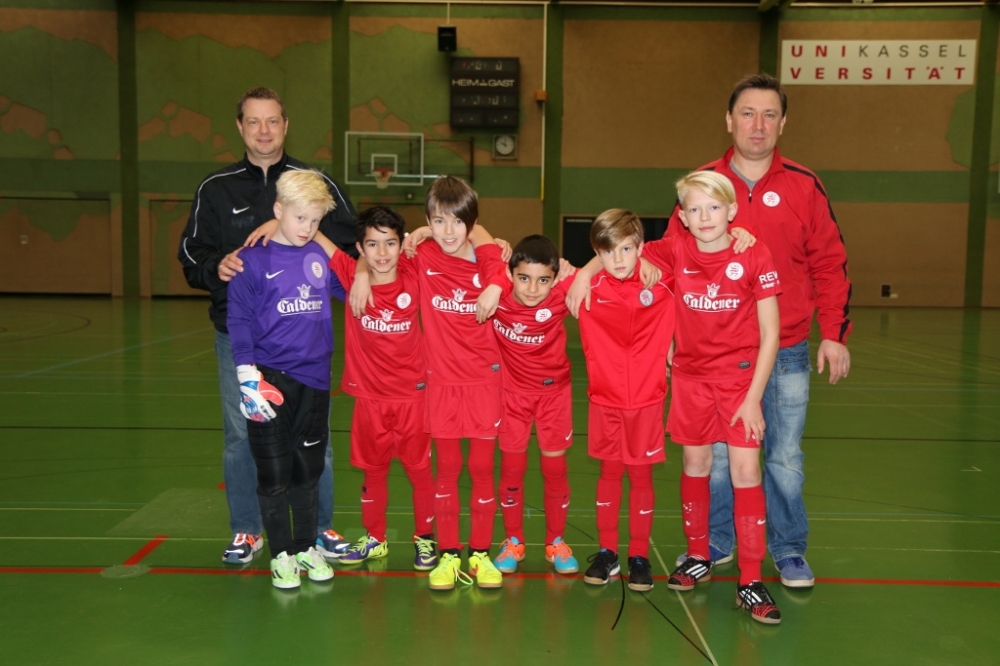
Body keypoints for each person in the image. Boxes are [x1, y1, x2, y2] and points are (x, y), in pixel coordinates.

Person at [668, 73, 852, 588]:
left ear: (783, 123)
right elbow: (668, 266)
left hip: (785, 347)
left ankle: (788, 549)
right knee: (718, 459)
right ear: (729, 120)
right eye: (747, 113)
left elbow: (830, 262)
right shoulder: (702, 185)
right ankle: (718, 541)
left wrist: (833, 332)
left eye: (769, 114)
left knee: (784, 456)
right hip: (716, 357)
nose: (758, 124)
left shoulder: (804, 185)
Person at [177, 87, 357, 564]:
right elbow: (191, 254)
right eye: (254, 121)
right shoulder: (216, 188)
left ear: (286, 125)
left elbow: (353, 247)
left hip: (303, 341)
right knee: (241, 434)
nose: (264, 131)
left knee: (315, 437)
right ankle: (247, 530)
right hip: (240, 340)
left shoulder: (314, 184)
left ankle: (319, 527)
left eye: (272, 120)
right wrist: (217, 266)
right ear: (240, 127)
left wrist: (302, 231)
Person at [351, 176, 508, 590]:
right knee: (446, 472)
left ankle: (480, 553)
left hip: (484, 384)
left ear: (472, 222)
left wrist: (495, 282)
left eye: (458, 222)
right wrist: (362, 273)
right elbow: (378, 256)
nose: (449, 231)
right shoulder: (421, 255)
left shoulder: (491, 259)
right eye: (438, 221)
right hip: (440, 385)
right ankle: (449, 554)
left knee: (481, 471)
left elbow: (494, 252)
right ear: (427, 221)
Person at [648, 171, 782, 624]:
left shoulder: (754, 254)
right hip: (690, 381)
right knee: (695, 464)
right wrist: (582, 275)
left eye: (714, 207)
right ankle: (697, 555)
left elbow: (771, 334)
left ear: (732, 211)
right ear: (682, 217)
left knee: (746, 471)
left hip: (739, 383)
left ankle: (750, 579)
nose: (704, 217)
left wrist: (753, 398)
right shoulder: (674, 249)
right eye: (694, 209)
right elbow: (619, 251)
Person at [226, 170, 345, 589]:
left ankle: (307, 547)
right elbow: (238, 321)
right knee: (274, 473)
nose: (307, 228)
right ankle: (281, 556)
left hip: (316, 380)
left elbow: (353, 285)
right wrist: (247, 376)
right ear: (278, 210)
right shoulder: (251, 262)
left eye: (315, 221)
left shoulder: (319, 257)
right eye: (300, 218)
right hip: (269, 382)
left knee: (307, 472)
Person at [322, 206, 437, 571]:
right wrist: (358, 272)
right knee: (373, 472)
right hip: (370, 399)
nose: (382, 252)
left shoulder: (414, 271)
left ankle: (425, 538)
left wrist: (422, 232)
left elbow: (453, 234)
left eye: (390, 243)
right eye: (372, 244)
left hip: (413, 396)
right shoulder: (349, 272)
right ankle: (375, 538)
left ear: (402, 245)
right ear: (360, 247)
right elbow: (314, 236)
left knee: (420, 472)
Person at [566, 209, 675, 593]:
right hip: (605, 400)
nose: (618, 259)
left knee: (641, 477)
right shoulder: (585, 287)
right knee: (610, 475)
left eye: (626, 249)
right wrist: (582, 273)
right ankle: (608, 552)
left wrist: (743, 233)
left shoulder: (664, 283)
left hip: (647, 400)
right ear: (597, 252)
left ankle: (639, 555)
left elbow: (704, 257)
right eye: (608, 252)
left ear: (640, 247)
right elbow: (527, 267)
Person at [474, 235, 578, 575]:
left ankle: (555, 542)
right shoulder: (499, 293)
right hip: (511, 396)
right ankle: (513, 541)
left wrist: (580, 271)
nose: (533, 289)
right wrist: (422, 232)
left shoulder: (562, 294)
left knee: (555, 470)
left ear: (555, 278)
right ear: (510, 274)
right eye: (524, 278)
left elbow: (603, 273)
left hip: (554, 395)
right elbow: (472, 234)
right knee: (512, 470)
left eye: (543, 280)